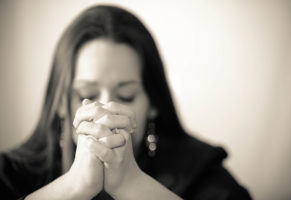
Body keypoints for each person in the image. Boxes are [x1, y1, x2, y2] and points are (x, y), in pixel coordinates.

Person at [0, 5, 251, 200]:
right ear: (59, 103)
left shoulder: (202, 173)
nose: (105, 111)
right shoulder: (11, 173)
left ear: (153, 102)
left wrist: (132, 185)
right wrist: (74, 188)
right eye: (86, 94)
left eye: (126, 96)